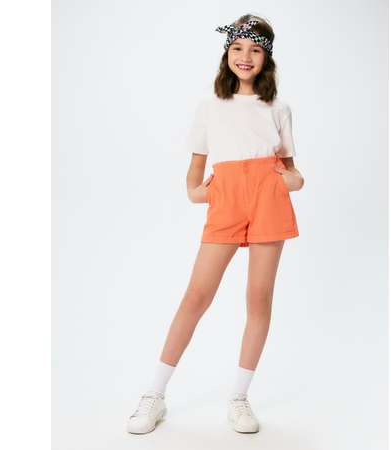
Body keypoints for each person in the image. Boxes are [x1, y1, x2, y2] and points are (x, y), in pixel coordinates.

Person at [127, 14, 305, 435]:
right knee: (197, 296)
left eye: (255, 50)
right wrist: (208, 192)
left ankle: (239, 398)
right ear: (227, 53)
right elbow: (194, 180)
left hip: (268, 198)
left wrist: (288, 181)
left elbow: (295, 173)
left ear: (267, 58)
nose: (245, 57)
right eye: (238, 48)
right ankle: (155, 394)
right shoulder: (210, 107)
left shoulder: (279, 108)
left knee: (258, 298)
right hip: (227, 201)